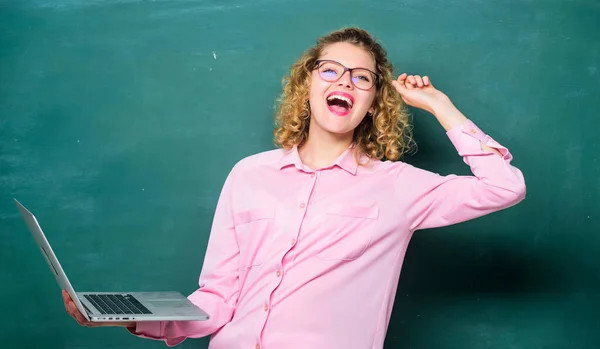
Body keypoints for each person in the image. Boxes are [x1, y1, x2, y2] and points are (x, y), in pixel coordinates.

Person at [62, 27, 526, 348]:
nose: (345, 80)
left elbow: (505, 187)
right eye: (330, 70)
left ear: (372, 102)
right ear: (307, 84)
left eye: (361, 78)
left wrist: (439, 106)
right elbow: (217, 301)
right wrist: (128, 315)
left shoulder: (398, 187)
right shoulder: (248, 175)